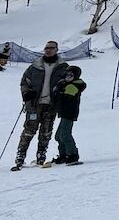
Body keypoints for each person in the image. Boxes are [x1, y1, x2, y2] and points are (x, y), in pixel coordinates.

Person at [14, 41, 71, 170]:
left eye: (51, 48)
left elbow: (70, 81)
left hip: (51, 105)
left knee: (46, 132)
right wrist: (26, 93)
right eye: (46, 48)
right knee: (29, 131)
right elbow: (24, 81)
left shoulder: (63, 67)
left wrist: (62, 92)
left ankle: (41, 155)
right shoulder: (35, 66)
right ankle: (20, 155)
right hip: (34, 104)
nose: (48, 50)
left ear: (57, 49)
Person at [52, 65, 86, 165]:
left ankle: (72, 154)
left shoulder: (75, 85)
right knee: (58, 136)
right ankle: (63, 154)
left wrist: (58, 90)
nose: (67, 77)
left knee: (65, 134)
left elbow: (66, 97)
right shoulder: (68, 84)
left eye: (70, 75)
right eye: (66, 75)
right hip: (63, 112)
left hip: (69, 113)